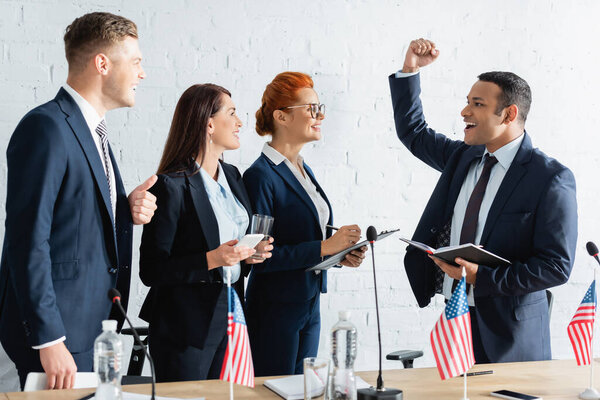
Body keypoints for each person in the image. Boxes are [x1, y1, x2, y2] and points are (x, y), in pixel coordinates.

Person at [390, 39, 577, 363]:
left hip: (512, 335)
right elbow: (414, 133)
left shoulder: (550, 178)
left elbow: (555, 266)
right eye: (467, 102)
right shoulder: (463, 157)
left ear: (509, 113)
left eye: (477, 104)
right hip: (456, 317)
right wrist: (410, 71)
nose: (464, 111)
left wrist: (482, 278)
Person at [0, 12, 158, 390]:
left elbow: (73, 219)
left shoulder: (93, 132)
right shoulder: (47, 128)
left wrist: (125, 207)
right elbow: (27, 240)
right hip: (58, 338)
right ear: (102, 63)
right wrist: (49, 339)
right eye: (136, 62)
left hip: (91, 330)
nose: (142, 73)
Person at [138, 84, 273, 382]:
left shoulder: (234, 177)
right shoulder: (170, 185)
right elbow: (151, 270)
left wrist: (249, 256)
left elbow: (232, 251)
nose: (241, 122)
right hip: (185, 328)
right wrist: (212, 258)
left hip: (232, 313)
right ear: (209, 124)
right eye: (233, 113)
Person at [243, 71, 367, 376]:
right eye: (311, 108)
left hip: (308, 303)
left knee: (303, 389)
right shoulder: (261, 176)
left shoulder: (302, 169)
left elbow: (303, 234)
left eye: (319, 106)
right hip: (275, 309)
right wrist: (326, 246)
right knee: (274, 392)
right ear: (282, 117)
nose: (320, 114)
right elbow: (260, 258)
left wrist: (339, 253)